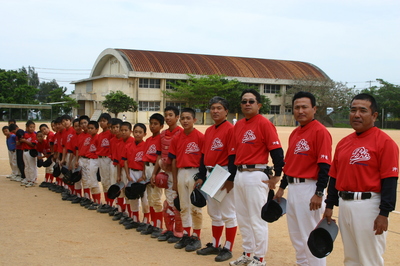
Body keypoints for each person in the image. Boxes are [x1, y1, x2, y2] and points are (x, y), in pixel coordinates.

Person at [323, 93, 398, 266]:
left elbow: (390, 180)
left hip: (369, 206)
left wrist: (384, 214)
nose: (356, 115)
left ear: (374, 115)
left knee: (369, 258)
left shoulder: (385, 142)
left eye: (362, 110)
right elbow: (334, 177)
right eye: (353, 110)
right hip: (345, 204)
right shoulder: (344, 143)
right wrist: (329, 205)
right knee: (351, 258)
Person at [275, 91, 332, 266]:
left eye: (304, 107)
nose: (300, 110)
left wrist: (319, 192)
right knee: (296, 236)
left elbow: (325, 166)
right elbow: (290, 164)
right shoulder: (295, 133)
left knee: (311, 236)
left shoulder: (320, 132)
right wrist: (282, 187)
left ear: (314, 109)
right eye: (297, 107)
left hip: (310, 188)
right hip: (294, 188)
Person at [229, 88, 284, 266]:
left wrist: (277, 175)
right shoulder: (238, 125)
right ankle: (247, 253)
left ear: (259, 105)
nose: (247, 104)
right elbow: (233, 153)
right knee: (243, 218)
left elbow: (277, 151)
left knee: (257, 219)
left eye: (251, 101)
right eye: (244, 101)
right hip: (240, 173)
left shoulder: (264, 124)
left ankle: (259, 258)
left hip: (256, 174)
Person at [195, 96, 238, 262]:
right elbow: (204, 154)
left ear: (226, 111)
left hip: (223, 172)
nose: (215, 111)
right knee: (214, 213)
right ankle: (215, 244)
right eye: (213, 108)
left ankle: (228, 248)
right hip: (210, 173)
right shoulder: (209, 130)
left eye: (219, 108)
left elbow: (233, 156)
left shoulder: (230, 129)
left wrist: (231, 179)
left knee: (228, 213)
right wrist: (200, 176)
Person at [170, 107, 204, 252]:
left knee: (195, 206)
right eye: (182, 118)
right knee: (183, 206)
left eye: (188, 118)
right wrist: (174, 180)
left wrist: (202, 176)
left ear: (194, 120)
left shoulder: (200, 137)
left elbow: (204, 158)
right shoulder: (177, 137)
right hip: (181, 172)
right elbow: (173, 160)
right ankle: (186, 234)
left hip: (195, 172)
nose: (185, 121)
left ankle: (196, 236)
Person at [150, 106, 184, 243]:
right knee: (167, 203)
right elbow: (159, 155)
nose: (168, 117)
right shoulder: (163, 135)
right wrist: (154, 173)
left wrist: (175, 179)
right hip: (166, 173)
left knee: (176, 203)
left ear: (177, 117)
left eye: (171, 115)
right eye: (166, 115)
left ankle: (179, 231)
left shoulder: (181, 134)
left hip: (178, 173)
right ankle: (169, 229)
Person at [141, 113, 164, 237]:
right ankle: (152, 223)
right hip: (148, 168)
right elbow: (145, 158)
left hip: (157, 169)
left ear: (161, 126)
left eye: (156, 124)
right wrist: (144, 173)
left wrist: (155, 174)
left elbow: (159, 158)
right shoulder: (148, 140)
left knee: (156, 198)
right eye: (151, 123)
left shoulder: (161, 139)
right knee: (150, 198)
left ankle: (158, 226)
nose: (152, 126)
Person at [19, 120, 38, 187]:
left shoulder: (34, 135)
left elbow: (32, 144)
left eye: (33, 127)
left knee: (32, 166)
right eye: (30, 127)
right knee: (26, 166)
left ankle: (33, 180)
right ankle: (28, 178)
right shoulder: (25, 134)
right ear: (27, 127)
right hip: (25, 151)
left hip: (31, 151)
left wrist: (25, 141)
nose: (32, 128)